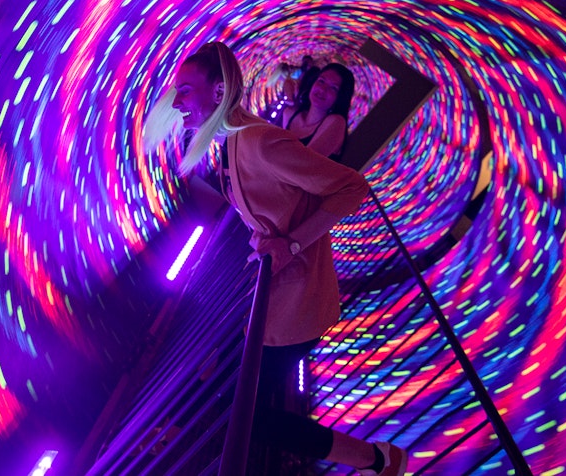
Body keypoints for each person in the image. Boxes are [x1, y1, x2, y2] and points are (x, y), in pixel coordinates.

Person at [143, 42, 407, 476]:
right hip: (279, 297)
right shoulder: (233, 139)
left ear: (218, 90)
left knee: (255, 415)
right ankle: (375, 459)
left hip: (298, 300)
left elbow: (351, 187)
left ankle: (378, 459)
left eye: (186, 90)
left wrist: (292, 243)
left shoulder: (259, 141)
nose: (178, 102)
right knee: (248, 406)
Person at [281, 62, 355, 161]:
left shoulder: (336, 122)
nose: (322, 90)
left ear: (340, 98)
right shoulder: (289, 114)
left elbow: (303, 163)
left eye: (333, 88)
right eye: (321, 81)